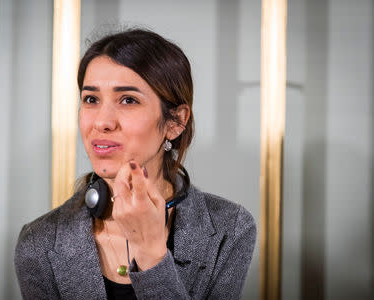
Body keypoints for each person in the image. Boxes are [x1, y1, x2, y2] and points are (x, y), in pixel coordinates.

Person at [14, 29, 256, 300]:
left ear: (175, 122)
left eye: (128, 100)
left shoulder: (230, 229)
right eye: (91, 99)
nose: (102, 122)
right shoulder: (39, 242)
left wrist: (151, 253)